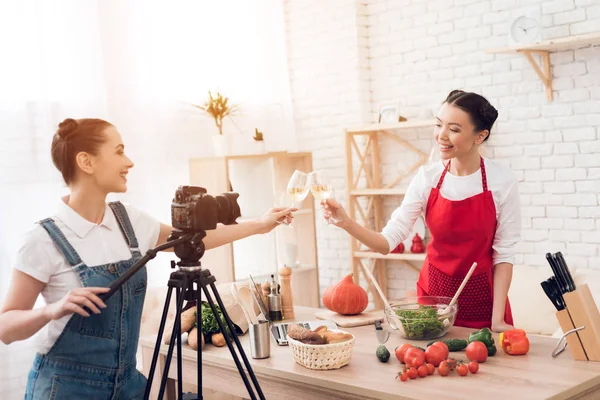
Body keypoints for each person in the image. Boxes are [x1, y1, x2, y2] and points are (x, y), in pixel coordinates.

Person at [0, 118, 295, 399]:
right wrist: (53, 310)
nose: (129, 162)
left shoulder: (127, 219)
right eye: (119, 152)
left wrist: (260, 225)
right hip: (65, 389)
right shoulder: (43, 238)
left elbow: (191, 240)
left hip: (129, 385)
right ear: (86, 162)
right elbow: (6, 327)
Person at [323, 90, 521, 333]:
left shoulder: (502, 180)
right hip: (433, 304)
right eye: (439, 125)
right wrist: (345, 222)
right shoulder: (427, 178)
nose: (441, 135)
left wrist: (497, 320)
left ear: (480, 136)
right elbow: (387, 242)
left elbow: (504, 255)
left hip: (483, 304)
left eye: (454, 129)